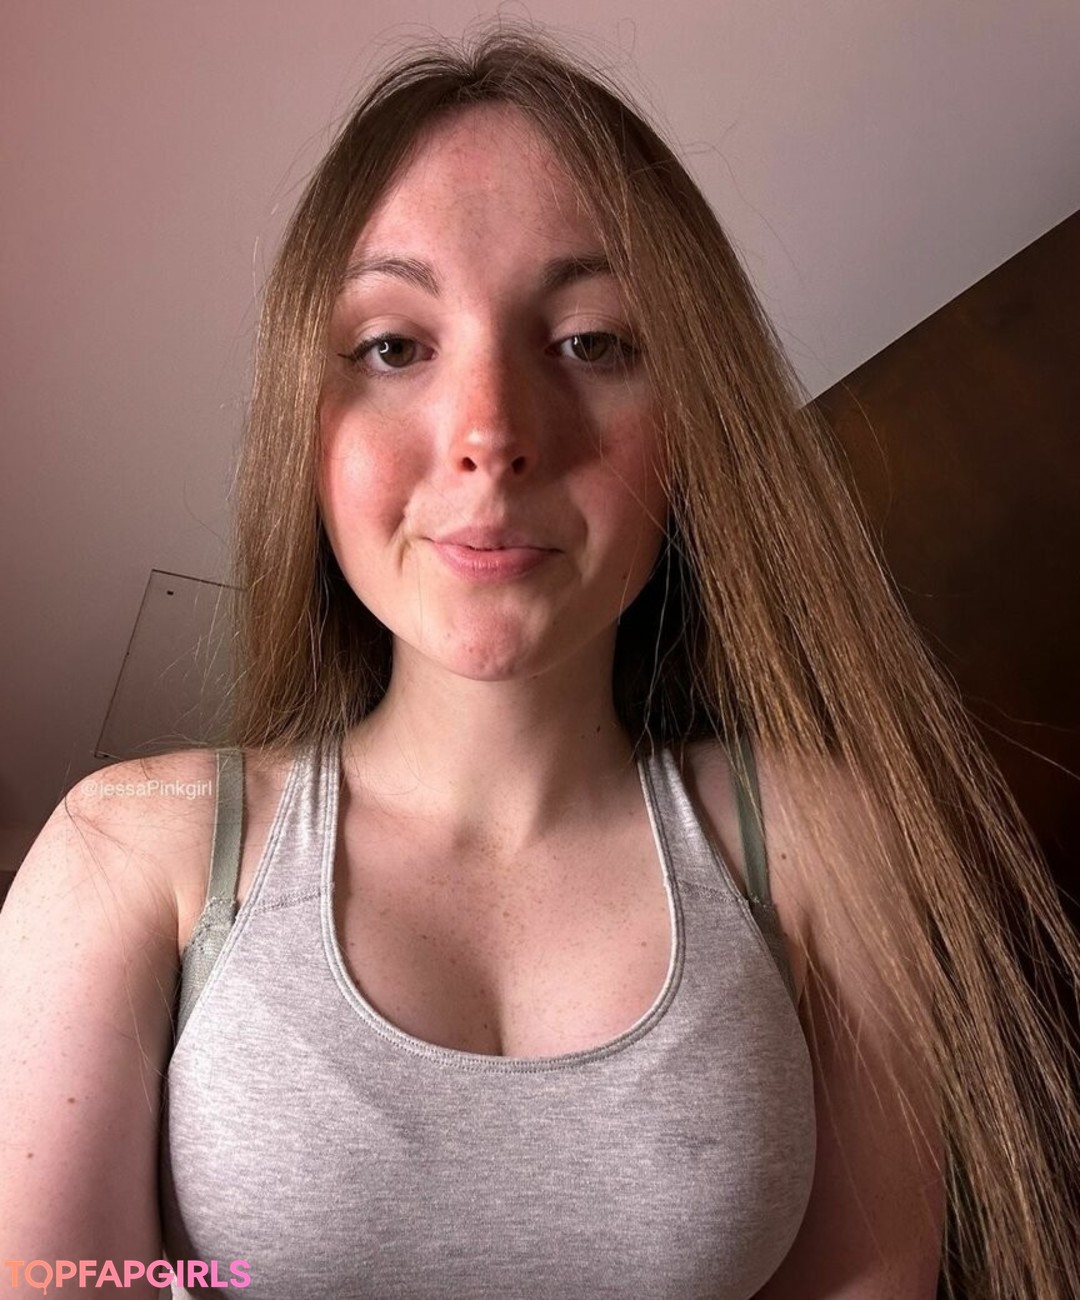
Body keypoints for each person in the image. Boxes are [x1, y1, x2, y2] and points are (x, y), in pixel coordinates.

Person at [1, 23, 1077, 1300]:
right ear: (306, 421)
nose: (491, 432)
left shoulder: (830, 852)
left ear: (695, 424)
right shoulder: (128, 851)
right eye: (395, 346)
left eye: (591, 342)